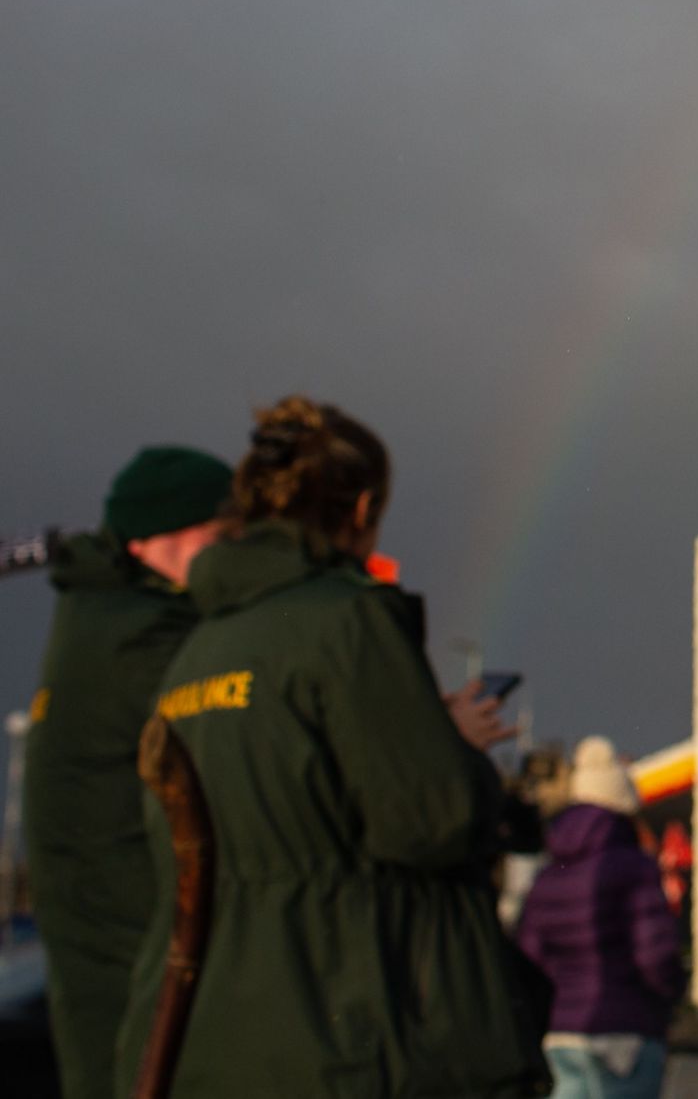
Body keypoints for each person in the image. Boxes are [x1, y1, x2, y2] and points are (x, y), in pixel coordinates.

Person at [112, 395, 550, 1097]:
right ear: (362, 507)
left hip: (206, 1040)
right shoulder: (348, 620)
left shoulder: (196, 650)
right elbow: (432, 819)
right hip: (343, 1037)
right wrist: (458, 755)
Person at [23, 446, 231, 1099]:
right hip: (138, 959)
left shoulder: (98, 611)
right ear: (162, 537)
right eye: (226, 533)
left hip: (107, 958)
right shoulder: (148, 636)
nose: (237, 552)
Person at [516, 736, 683, 1099]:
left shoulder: (548, 876)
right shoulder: (633, 869)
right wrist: (671, 996)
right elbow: (655, 955)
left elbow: (530, 958)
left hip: (560, 1034)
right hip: (625, 1032)